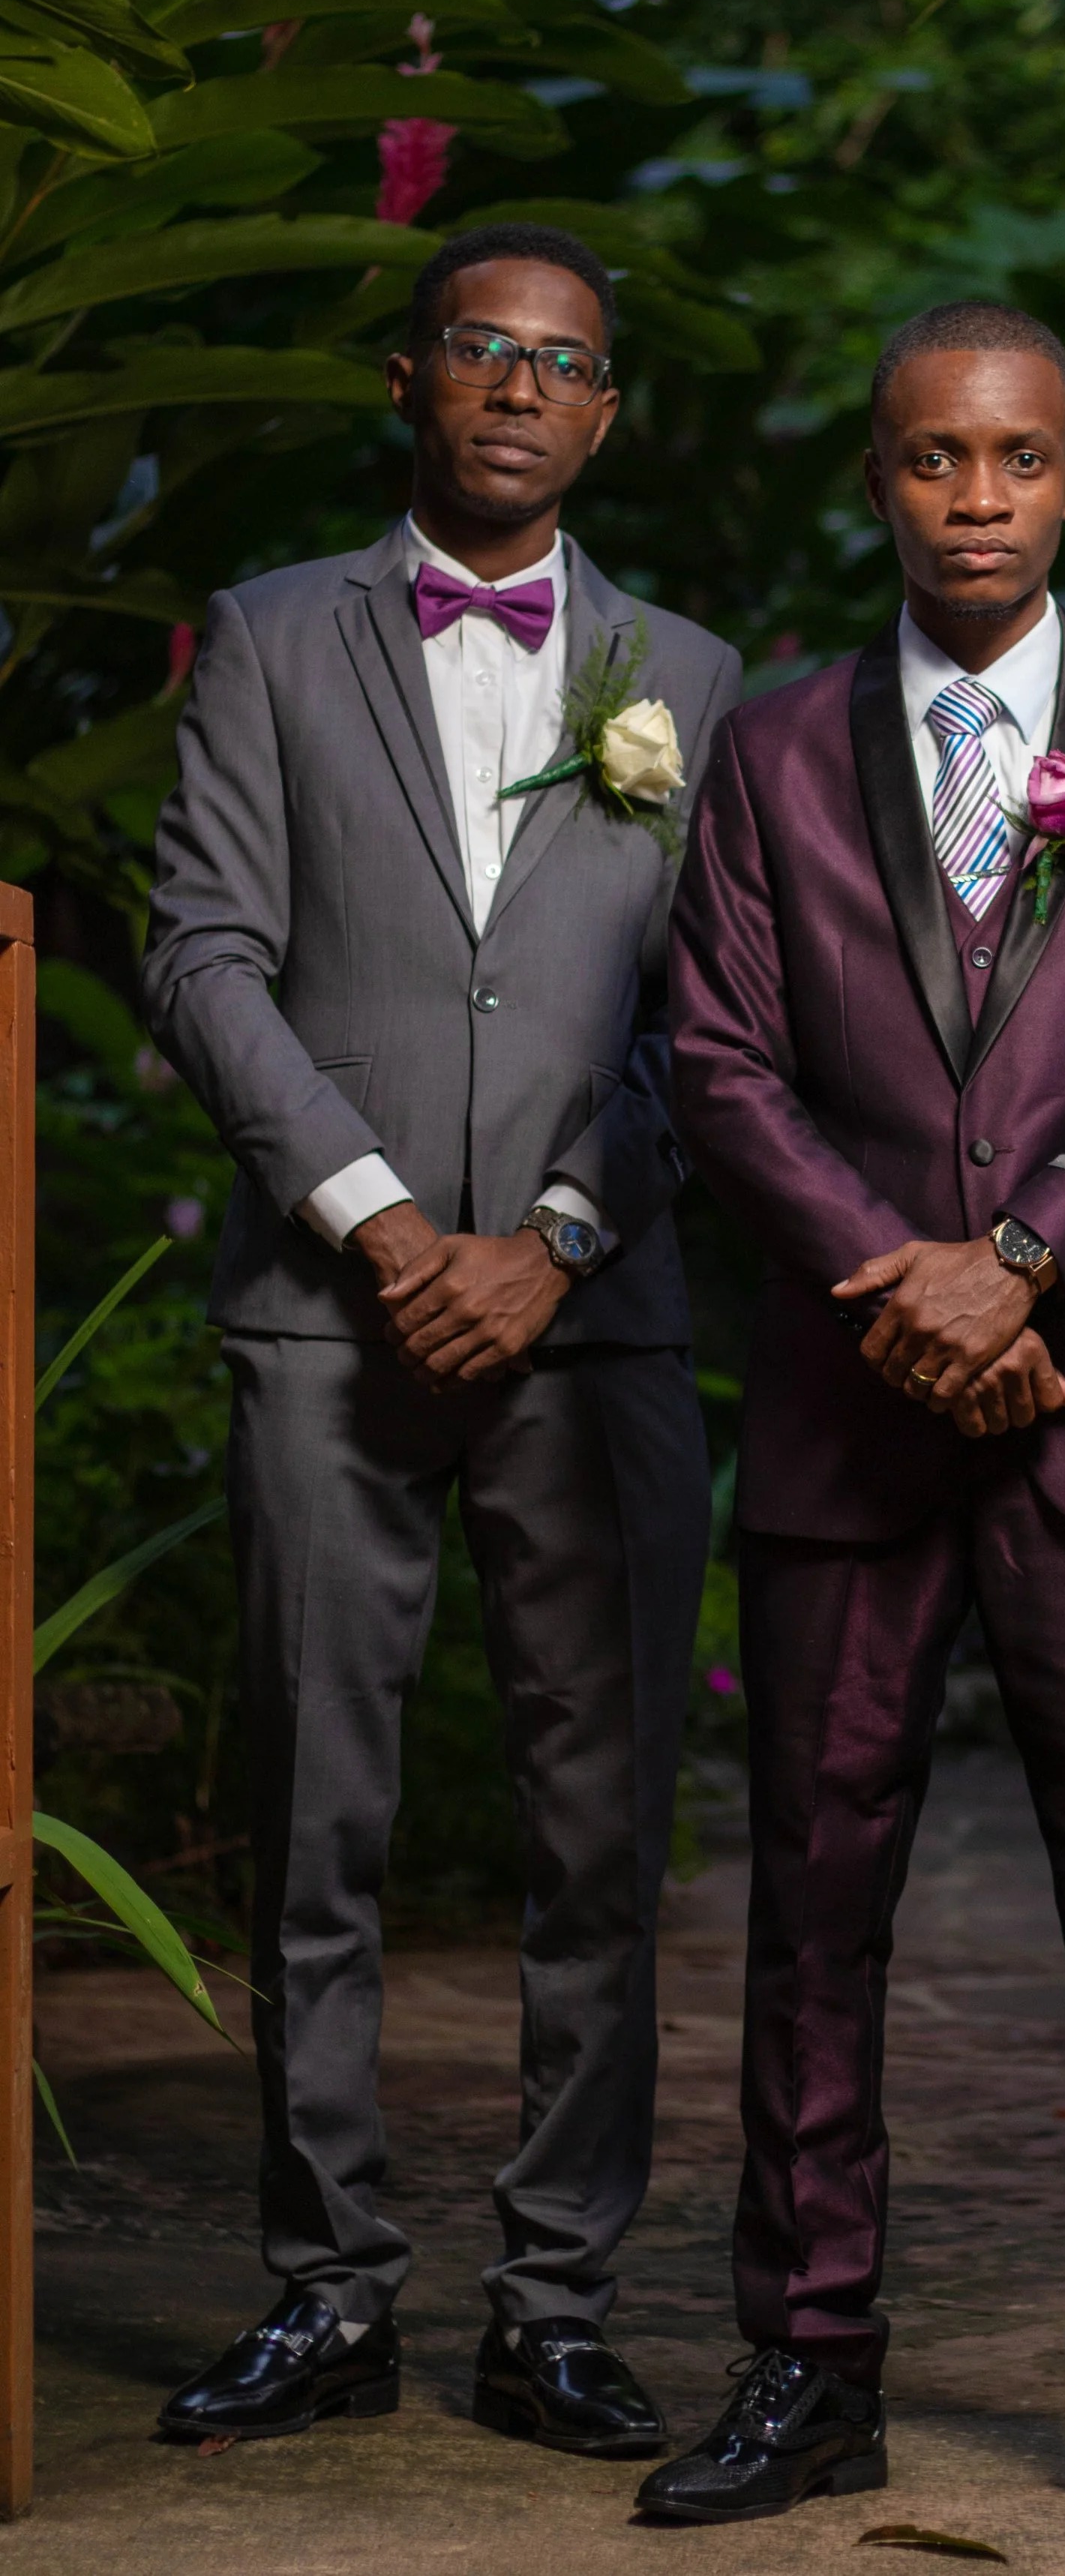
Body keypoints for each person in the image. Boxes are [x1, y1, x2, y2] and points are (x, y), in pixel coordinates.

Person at [647, 301, 1065, 2533]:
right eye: (934, 460)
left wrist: (1020, 1262)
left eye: (1016, 458)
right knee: (811, 1915)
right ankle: (807, 2361)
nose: (978, 497)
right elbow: (718, 1056)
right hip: (849, 1417)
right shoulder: (769, 743)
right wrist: (892, 1278)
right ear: (882, 485)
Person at [142, 223, 740, 2458]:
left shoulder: (691, 665)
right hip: (332, 1314)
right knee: (322, 1815)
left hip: (593, 1334)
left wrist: (557, 1233)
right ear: (413, 379)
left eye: (561, 360)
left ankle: (556, 2304)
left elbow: (719, 1014)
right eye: (480, 347)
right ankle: (327, 2290)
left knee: (598, 1835)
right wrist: (390, 1224)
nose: (516, 383)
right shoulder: (276, 639)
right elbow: (204, 952)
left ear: (605, 413)